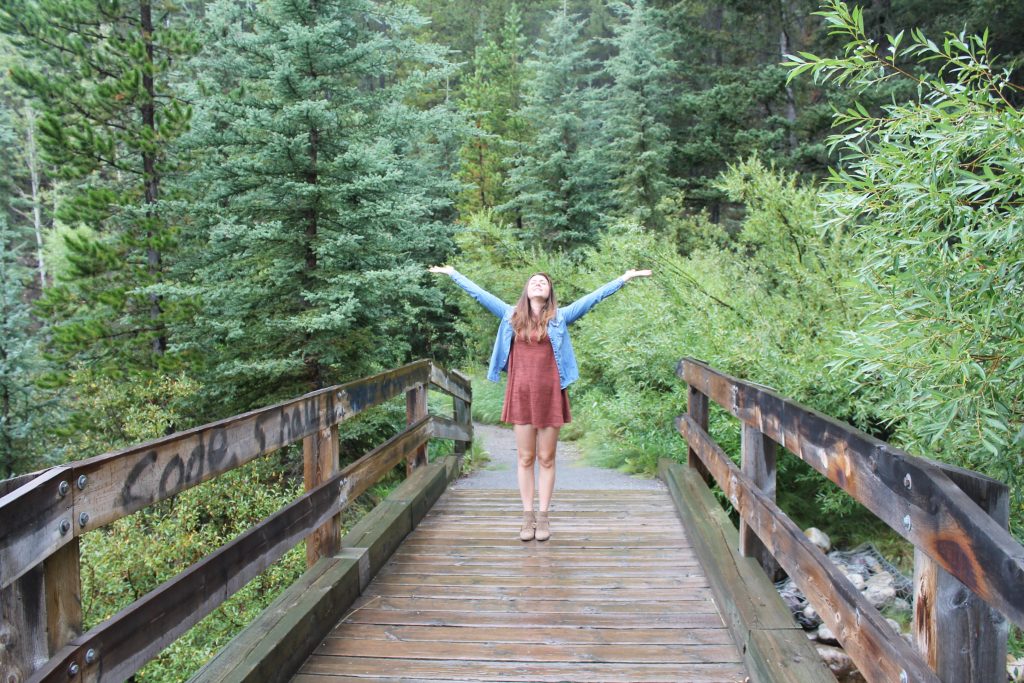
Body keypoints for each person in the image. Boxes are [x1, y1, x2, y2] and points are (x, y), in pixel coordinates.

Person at [429, 265, 652, 541]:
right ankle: (527, 516)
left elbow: (593, 298)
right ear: (526, 290)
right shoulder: (510, 315)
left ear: (548, 293)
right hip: (521, 394)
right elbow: (479, 294)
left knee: (546, 458)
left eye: (543, 283)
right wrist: (452, 274)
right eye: (533, 281)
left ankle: (544, 516)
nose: (537, 284)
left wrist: (624, 278)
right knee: (525, 457)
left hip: (550, 395)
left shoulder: (560, 317)